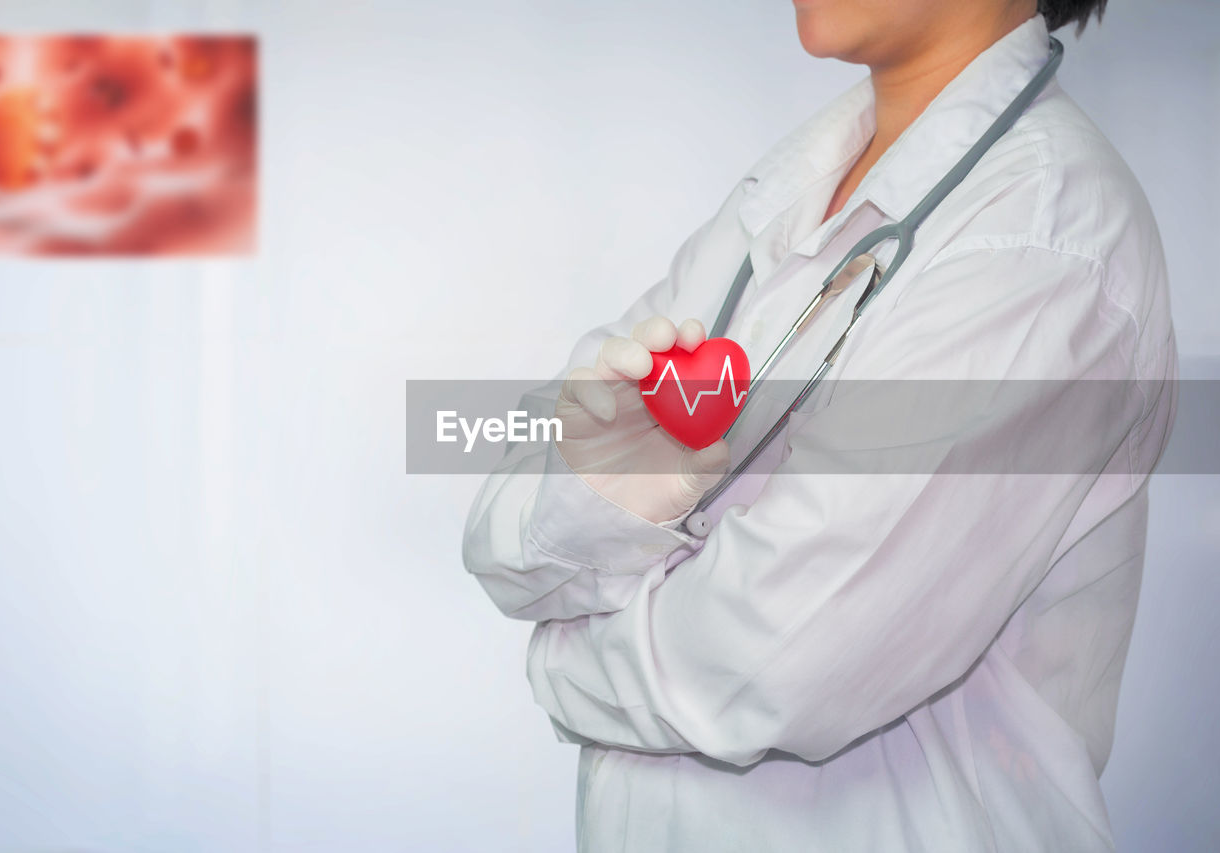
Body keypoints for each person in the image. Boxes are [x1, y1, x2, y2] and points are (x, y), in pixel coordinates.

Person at [463, 0, 1177, 849]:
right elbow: (504, 517)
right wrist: (600, 502)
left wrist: (556, 654)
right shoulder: (791, 187)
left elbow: (771, 663)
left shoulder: (1043, 241)